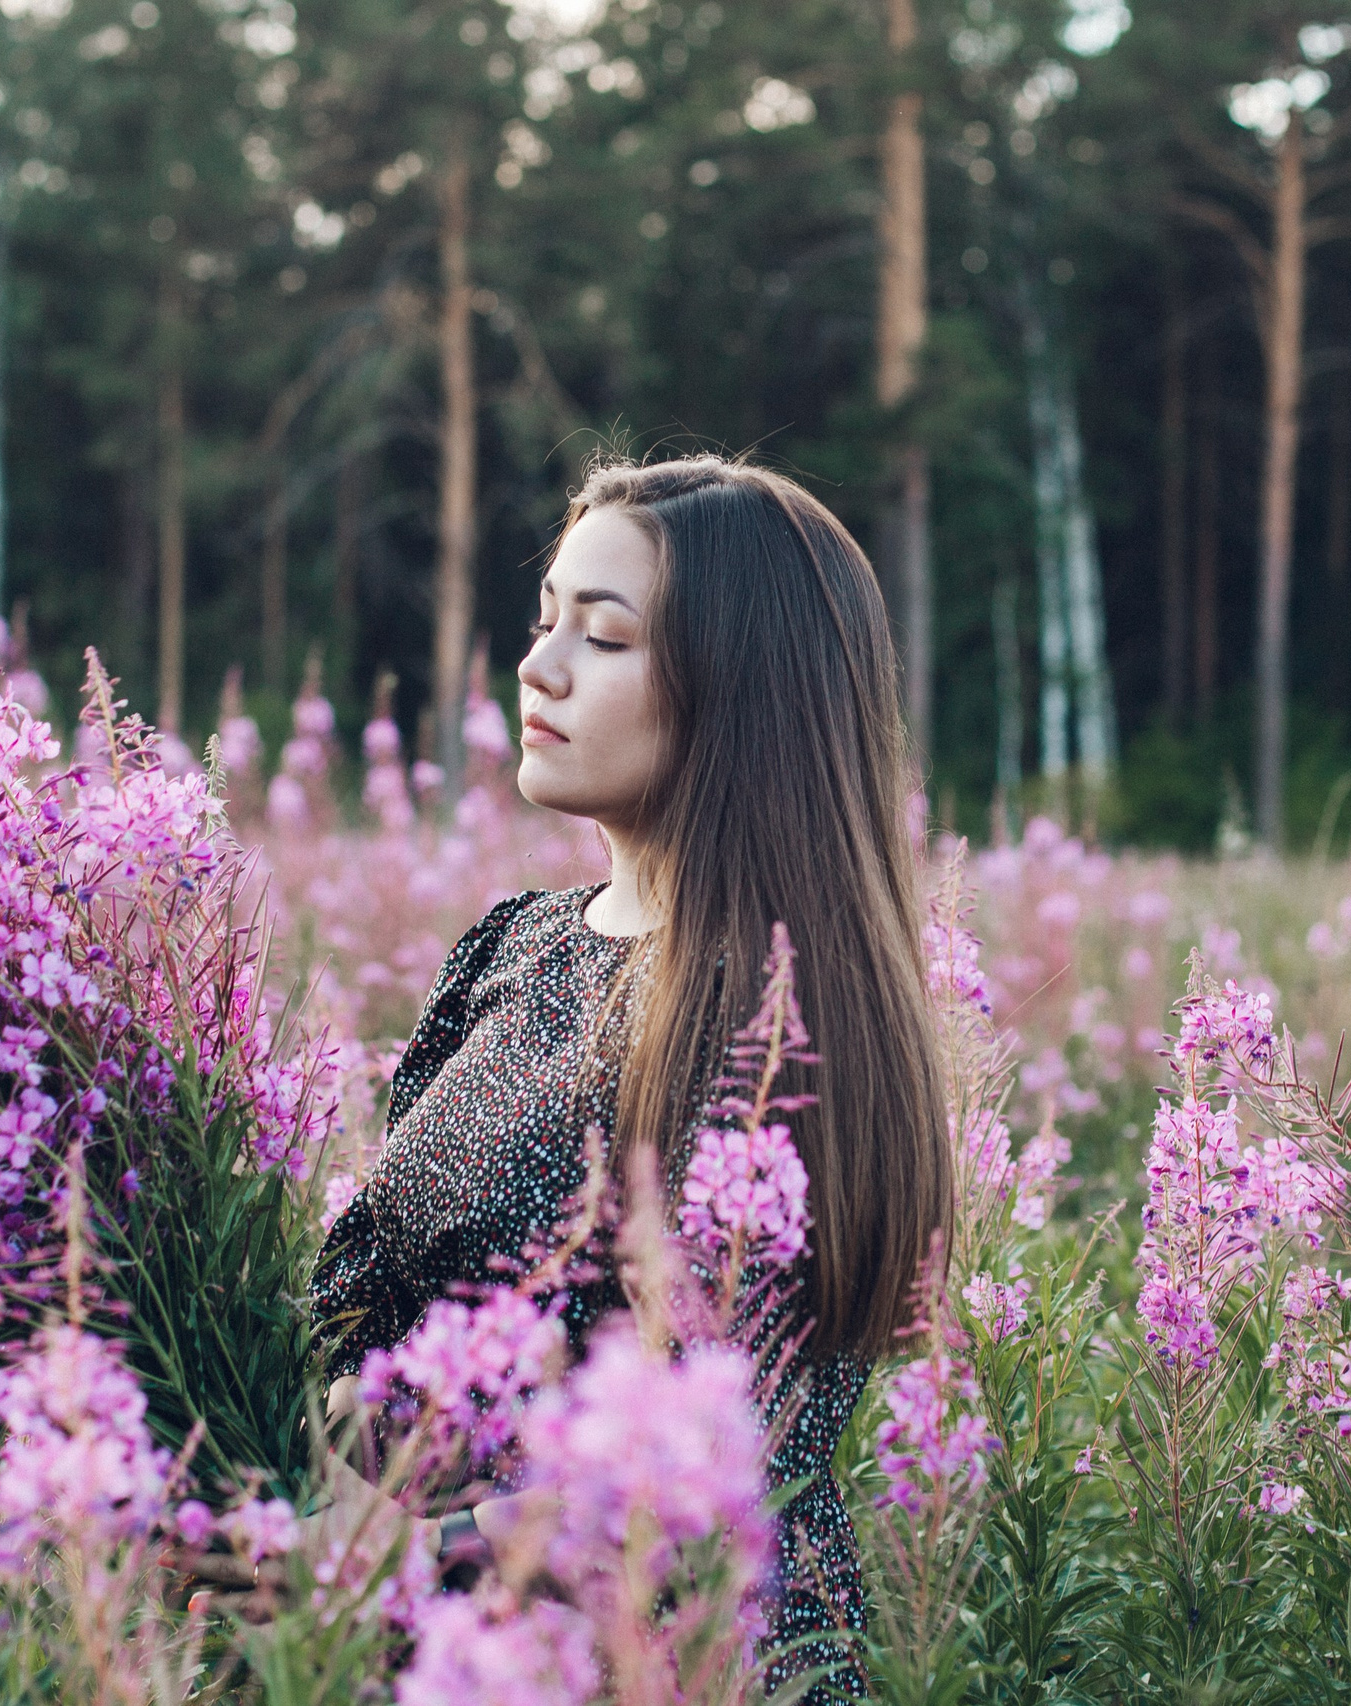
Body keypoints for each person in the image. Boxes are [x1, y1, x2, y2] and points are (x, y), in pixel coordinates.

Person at [204, 455, 950, 1697]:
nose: (537, 668)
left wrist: (400, 1558)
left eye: (600, 637)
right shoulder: (513, 944)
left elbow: (728, 1458)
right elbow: (358, 1298)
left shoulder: (789, 1021)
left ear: (743, 690)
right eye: (544, 619)